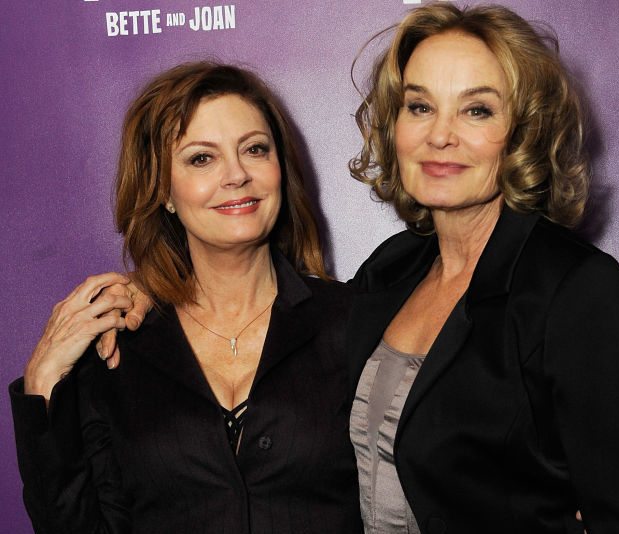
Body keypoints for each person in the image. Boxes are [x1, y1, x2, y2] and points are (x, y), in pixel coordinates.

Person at [343, 3, 619, 533]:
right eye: (420, 107)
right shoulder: (389, 271)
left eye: (476, 110)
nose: (440, 135)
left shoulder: (575, 291)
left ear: (523, 131)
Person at [10, 62, 363, 533]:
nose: (236, 174)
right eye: (202, 158)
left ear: (281, 169)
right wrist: (44, 379)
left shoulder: (353, 322)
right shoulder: (120, 348)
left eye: (255, 149)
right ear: (165, 192)